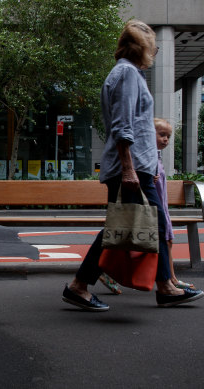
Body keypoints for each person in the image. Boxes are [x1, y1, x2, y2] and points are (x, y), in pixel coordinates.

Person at [61, 20, 204, 311]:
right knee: (133, 226)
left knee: (129, 226)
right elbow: (123, 124)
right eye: (154, 46)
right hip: (132, 168)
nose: (155, 52)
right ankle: (158, 287)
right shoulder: (127, 73)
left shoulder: (129, 73)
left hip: (137, 167)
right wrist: (128, 168)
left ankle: (163, 285)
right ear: (142, 47)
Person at [153, 118, 194, 290]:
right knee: (161, 241)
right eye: (162, 135)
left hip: (162, 207)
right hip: (155, 208)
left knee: (167, 241)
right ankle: (172, 280)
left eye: (168, 136)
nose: (166, 139)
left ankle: (173, 278)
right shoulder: (149, 157)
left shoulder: (157, 156)